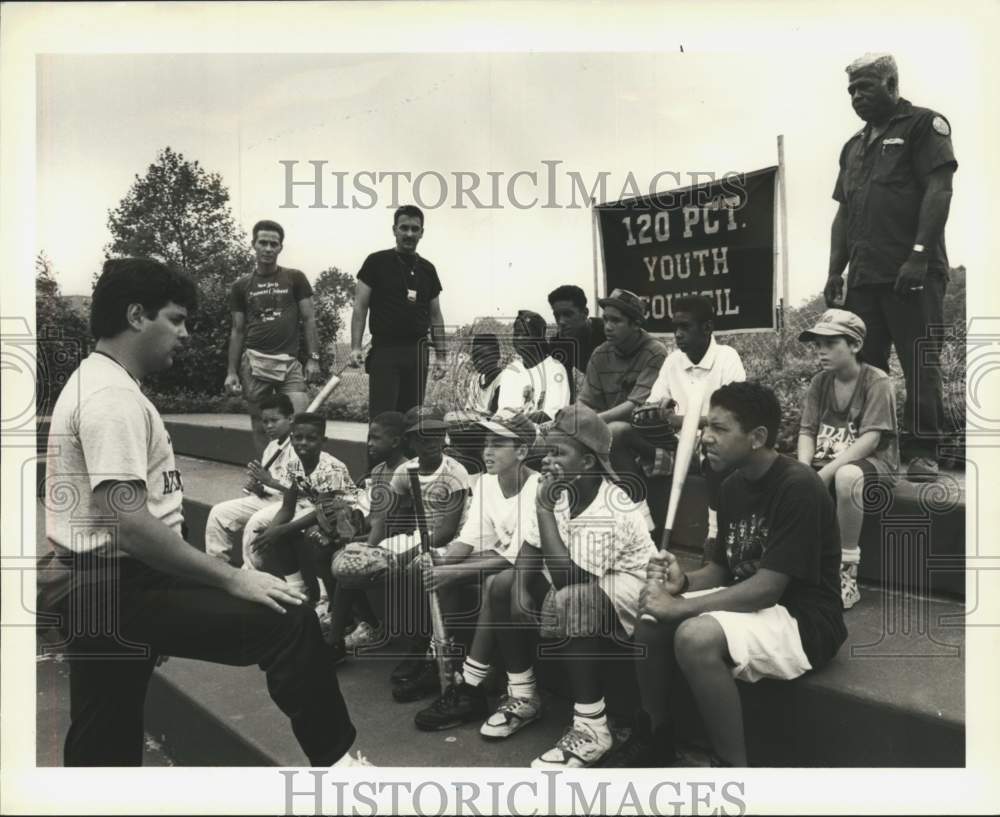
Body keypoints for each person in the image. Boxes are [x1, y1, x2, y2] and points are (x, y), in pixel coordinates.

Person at [42, 257, 367, 767]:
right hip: (120, 585)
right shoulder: (111, 397)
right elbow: (127, 523)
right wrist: (232, 580)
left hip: (106, 591)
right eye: (176, 319)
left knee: (104, 739)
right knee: (288, 619)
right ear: (136, 316)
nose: (185, 333)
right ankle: (342, 772)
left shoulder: (97, 382)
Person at [605, 382, 846, 768]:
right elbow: (721, 569)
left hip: (804, 619)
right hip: (755, 605)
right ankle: (655, 734)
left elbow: (766, 589)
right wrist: (681, 583)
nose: (706, 438)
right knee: (650, 619)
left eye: (719, 429)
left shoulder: (799, 486)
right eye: (705, 427)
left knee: (694, 636)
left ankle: (733, 772)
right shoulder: (732, 485)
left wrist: (679, 608)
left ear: (757, 437)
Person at [480, 404, 658, 769]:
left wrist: (545, 510)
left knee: (572, 601)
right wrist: (518, 592)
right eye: (547, 452)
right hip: (588, 579)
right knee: (501, 583)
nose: (548, 461)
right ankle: (523, 693)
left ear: (589, 464)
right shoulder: (558, 489)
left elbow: (569, 580)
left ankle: (593, 726)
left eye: (559, 454)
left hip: (633, 593)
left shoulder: (611, 506)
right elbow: (531, 545)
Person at [824, 53, 957, 483]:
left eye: (865, 87)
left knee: (921, 361)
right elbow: (843, 214)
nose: (856, 96)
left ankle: (924, 452)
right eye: (851, 90)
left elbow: (940, 188)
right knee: (868, 366)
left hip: (911, 271)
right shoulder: (852, 146)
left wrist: (918, 255)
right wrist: (834, 271)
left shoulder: (924, 125)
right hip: (865, 277)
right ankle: (877, 449)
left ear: (892, 82)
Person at [412, 409, 541, 731]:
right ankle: (441, 662)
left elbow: (518, 557)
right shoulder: (485, 482)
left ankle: (471, 684)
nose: (487, 451)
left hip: (539, 565)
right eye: (486, 443)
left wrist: (452, 572)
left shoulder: (538, 487)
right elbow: (470, 539)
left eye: (498, 444)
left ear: (522, 451)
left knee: (491, 583)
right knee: (438, 569)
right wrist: (440, 561)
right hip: (504, 557)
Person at [797, 309, 899, 610]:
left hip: (873, 463)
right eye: (818, 345)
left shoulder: (876, 381)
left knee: (846, 477)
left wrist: (822, 475)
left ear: (854, 346)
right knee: (785, 473)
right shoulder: (820, 382)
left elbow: (871, 440)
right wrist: (804, 470)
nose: (821, 351)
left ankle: (847, 571)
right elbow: (807, 431)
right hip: (827, 460)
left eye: (830, 344)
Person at [368, 406, 472, 700]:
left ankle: (424, 645)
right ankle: (386, 631)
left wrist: (407, 552)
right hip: (419, 537)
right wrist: (370, 548)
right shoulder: (405, 470)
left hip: (455, 541)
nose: (431, 441)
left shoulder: (454, 473)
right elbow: (384, 517)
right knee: (372, 561)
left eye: (437, 434)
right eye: (422, 436)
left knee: (416, 566)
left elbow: (448, 531)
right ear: (409, 442)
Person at [224, 219, 322, 455]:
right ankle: (267, 479)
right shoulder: (241, 286)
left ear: (280, 247)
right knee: (262, 425)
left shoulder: (294, 278)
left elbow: (309, 319)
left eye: (273, 244)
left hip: (289, 363)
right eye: (263, 243)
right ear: (254, 245)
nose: (268, 248)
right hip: (255, 364)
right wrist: (231, 372)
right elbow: (237, 330)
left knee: (301, 422)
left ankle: (298, 479)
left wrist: (313, 358)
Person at [245, 412, 355, 604]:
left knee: (309, 534)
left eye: (311, 438)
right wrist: (272, 531)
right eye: (298, 438)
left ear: (323, 440)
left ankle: (324, 598)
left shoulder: (331, 467)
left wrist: (280, 530)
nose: (303, 443)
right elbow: (287, 508)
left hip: (345, 513)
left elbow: (322, 513)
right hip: (317, 510)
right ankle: (297, 589)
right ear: (291, 438)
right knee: (273, 530)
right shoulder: (294, 464)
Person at [325, 411, 410, 657]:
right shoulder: (379, 470)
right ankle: (355, 621)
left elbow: (399, 524)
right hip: (380, 535)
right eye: (368, 437)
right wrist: (351, 534)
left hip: (400, 540)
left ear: (395, 441)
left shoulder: (405, 470)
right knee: (328, 545)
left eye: (376, 438)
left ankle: (338, 641)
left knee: (350, 561)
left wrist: (359, 543)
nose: (369, 443)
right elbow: (375, 518)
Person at [349, 205, 448, 416]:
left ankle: (409, 451)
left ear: (422, 232)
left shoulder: (428, 269)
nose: (409, 234)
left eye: (415, 229)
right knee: (383, 421)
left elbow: (435, 315)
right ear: (394, 230)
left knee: (412, 417)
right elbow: (360, 308)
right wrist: (355, 347)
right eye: (404, 228)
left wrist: (441, 356)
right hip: (386, 351)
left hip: (417, 352)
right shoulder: (375, 262)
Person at [578, 288, 668, 497]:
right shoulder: (600, 353)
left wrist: (592, 421)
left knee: (615, 431)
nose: (608, 327)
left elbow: (634, 407)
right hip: (606, 429)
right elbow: (585, 402)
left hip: (645, 434)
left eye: (616, 321)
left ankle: (637, 505)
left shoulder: (655, 352)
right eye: (606, 319)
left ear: (636, 324)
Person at [203, 393, 297, 565]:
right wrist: (258, 487)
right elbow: (269, 487)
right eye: (265, 421)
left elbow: (302, 491)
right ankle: (217, 567)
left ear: (290, 418)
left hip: (291, 505)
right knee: (218, 513)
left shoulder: (300, 445)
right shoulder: (272, 446)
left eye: (274, 421)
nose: (268, 426)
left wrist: (269, 481)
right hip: (269, 500)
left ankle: (250, 575)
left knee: (255, 523)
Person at [496, 310, 571, 421]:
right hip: (511, 432)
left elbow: (550, 416)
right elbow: (504, 412)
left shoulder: (555, 369)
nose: (518, 339)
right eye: (516, 334)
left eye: (525, 334)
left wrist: (514, 421)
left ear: (539, 338)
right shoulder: (511, 371)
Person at [546, 284, 607, 400]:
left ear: (585, 313)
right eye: (557, 315)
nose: (561, 321)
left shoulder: (606, 333)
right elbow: (564, 390)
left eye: (568, 314)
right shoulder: (558, 343)